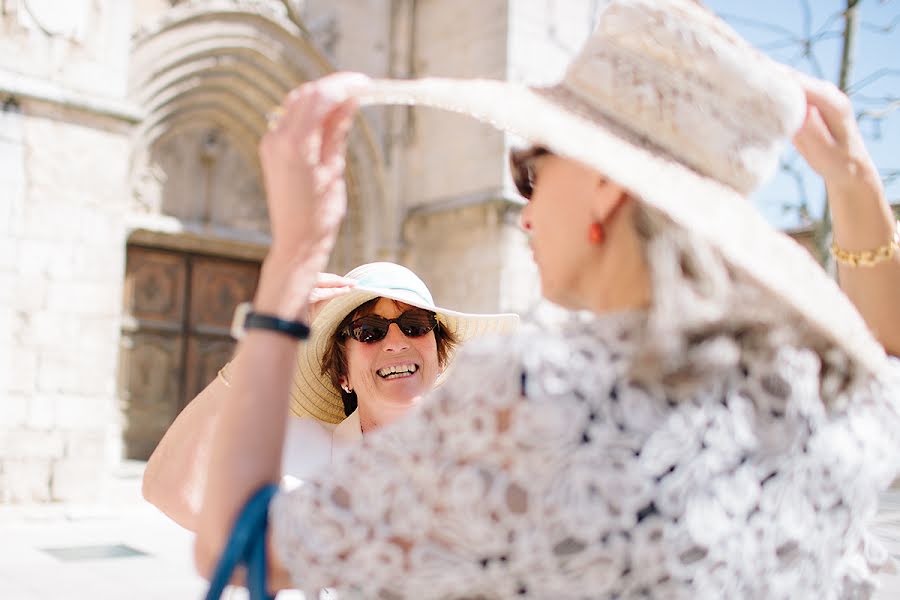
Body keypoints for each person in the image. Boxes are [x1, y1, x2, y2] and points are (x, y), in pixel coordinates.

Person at [193, 0, 900, 597]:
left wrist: (292, 257)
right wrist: (856, 184)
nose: (524, 212)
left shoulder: (539, 396)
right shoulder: (823, 394)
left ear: (605, 185)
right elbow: (886, 352)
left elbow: (235, 545)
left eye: (535, 169)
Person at [142, 262, 517, 531]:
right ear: (343, 374)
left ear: (439, 353)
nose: (397, 342)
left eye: (415, 325)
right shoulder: (293, 457)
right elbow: (169, 490)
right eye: (369, 331)